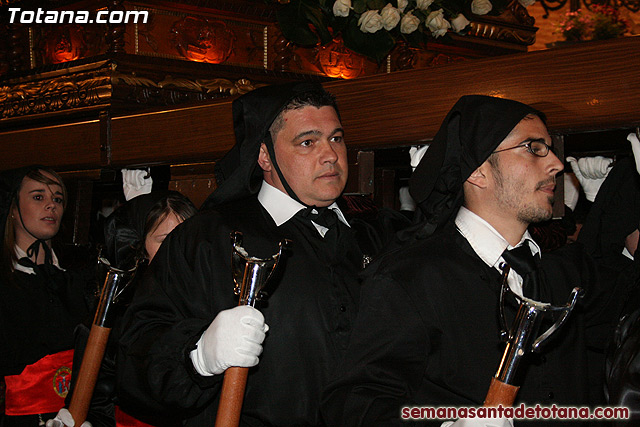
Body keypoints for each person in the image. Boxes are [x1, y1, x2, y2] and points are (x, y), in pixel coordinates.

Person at [321, 95, 607, 426]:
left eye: (549, 147)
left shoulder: (566, 270)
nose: (556, 163)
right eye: (533, 147)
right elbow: (352, 406)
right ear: (479, 172)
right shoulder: (411, 278)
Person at [116, 82, 372, 425]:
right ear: (264, 155)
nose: (330, 154)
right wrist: (199, 356)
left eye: (336, 138)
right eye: (307, 142)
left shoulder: (373, 234)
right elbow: (137, 352)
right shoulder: (209, 238)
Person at [47, 191, 197, 427]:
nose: (179, 248)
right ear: (140, 247)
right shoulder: (113, 317)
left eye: (188, 236)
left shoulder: (211, 303)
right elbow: (95, 405)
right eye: (165, 239)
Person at [0, 166, 94, 427]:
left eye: (58, 199)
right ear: (12, 209)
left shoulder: (78, 279)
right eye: (38, 197)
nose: (51, 205)